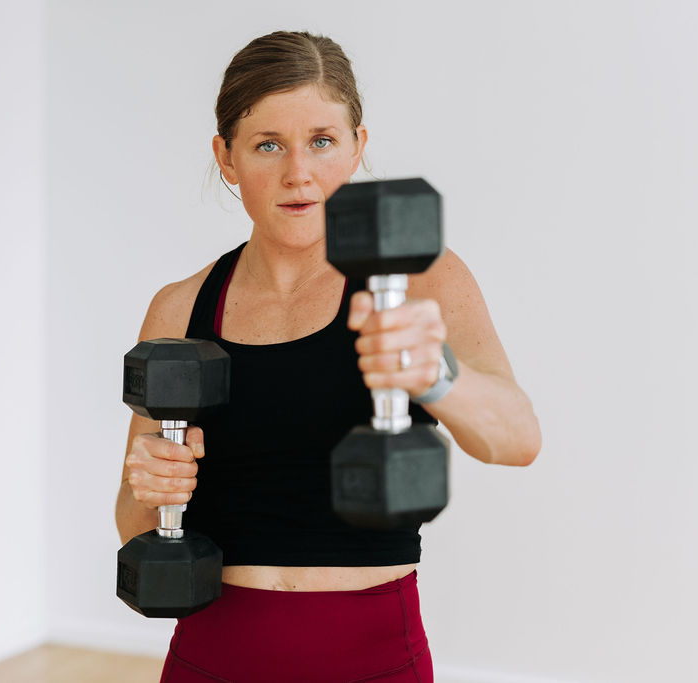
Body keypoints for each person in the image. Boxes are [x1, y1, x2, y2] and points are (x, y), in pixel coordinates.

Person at [115, 30, 541, 683]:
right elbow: (131, 521)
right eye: (267, 145)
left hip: (372, 660)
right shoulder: (180, 307)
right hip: (210, 656)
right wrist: (153, 485)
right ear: (226, 158)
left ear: (357, 147)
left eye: (321, 140)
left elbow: (517, 438)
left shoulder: (417, 278)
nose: (298, 173)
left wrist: (437, 377)